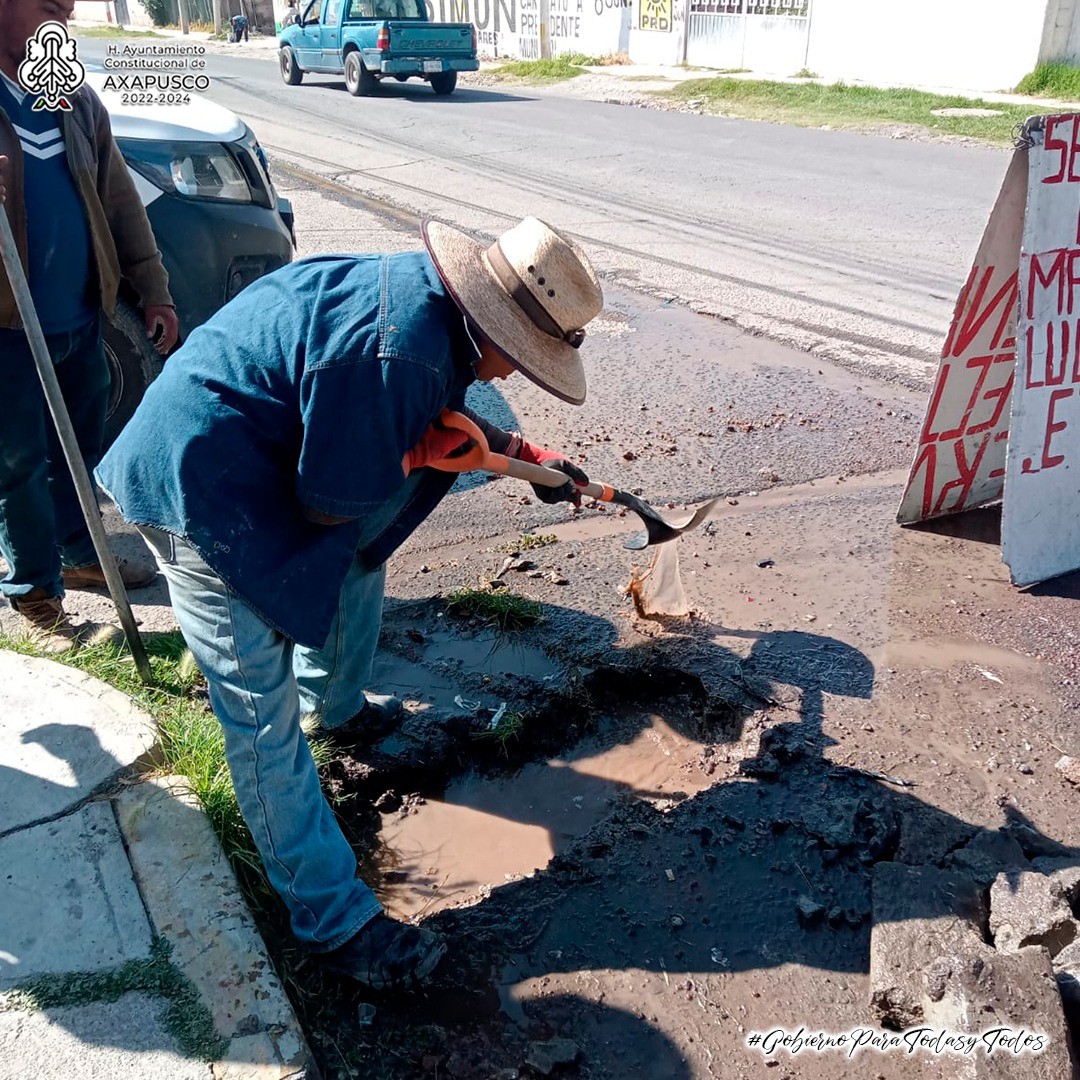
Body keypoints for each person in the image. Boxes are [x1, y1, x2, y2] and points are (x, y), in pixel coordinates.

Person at [95, 216, 604, 989]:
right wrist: (421, 453)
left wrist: (529, 461)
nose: (511, 377)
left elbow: (435, 427)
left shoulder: (428, 311)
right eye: (521, 360)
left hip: (252, 447)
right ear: (494, 322)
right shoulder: (400, 350)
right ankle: (334, 923)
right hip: (196, 488)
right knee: (258, 718)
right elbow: (331, 501)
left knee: (366, 552)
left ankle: (335, 708)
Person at [0, 0, 179, 653]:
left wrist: (153, 290)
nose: (61, 24)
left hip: (78, 317)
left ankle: (79, 553)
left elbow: (119, 201)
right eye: (49, 8)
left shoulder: (69, 95)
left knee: (77, 451)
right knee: (17, 461)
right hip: (7, 328)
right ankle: (35, 596)